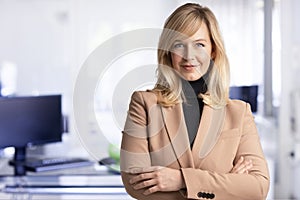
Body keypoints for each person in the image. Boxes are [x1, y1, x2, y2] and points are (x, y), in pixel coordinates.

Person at [120, 3, 270, 200]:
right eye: (179, 45)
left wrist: (181, 180)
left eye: (199, 44)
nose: (189, 56)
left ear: (213, 50)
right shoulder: (144, 104)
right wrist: (227, 185)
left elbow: (257, 188)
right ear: (168, 52)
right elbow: (135, 184)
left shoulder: (239, 112)